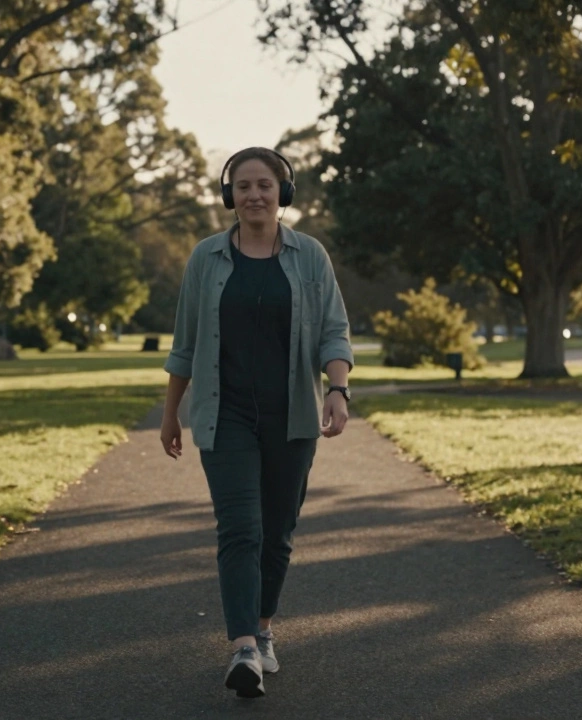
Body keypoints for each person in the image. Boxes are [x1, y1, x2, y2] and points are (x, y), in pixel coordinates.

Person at [159, 147, 353, 698]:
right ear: (229, 196)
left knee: (277, 532)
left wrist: (337, 389)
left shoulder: (310, 256)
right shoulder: (206, 258)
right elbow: (185, 344)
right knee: (239, 529)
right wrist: (172, 413)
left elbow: (333, 332)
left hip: (290, 414)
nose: (254, 195)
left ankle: (264, 628)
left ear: (282, 193)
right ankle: (243, 645)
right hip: (225, 414)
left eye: (264, 185)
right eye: (242, 186)